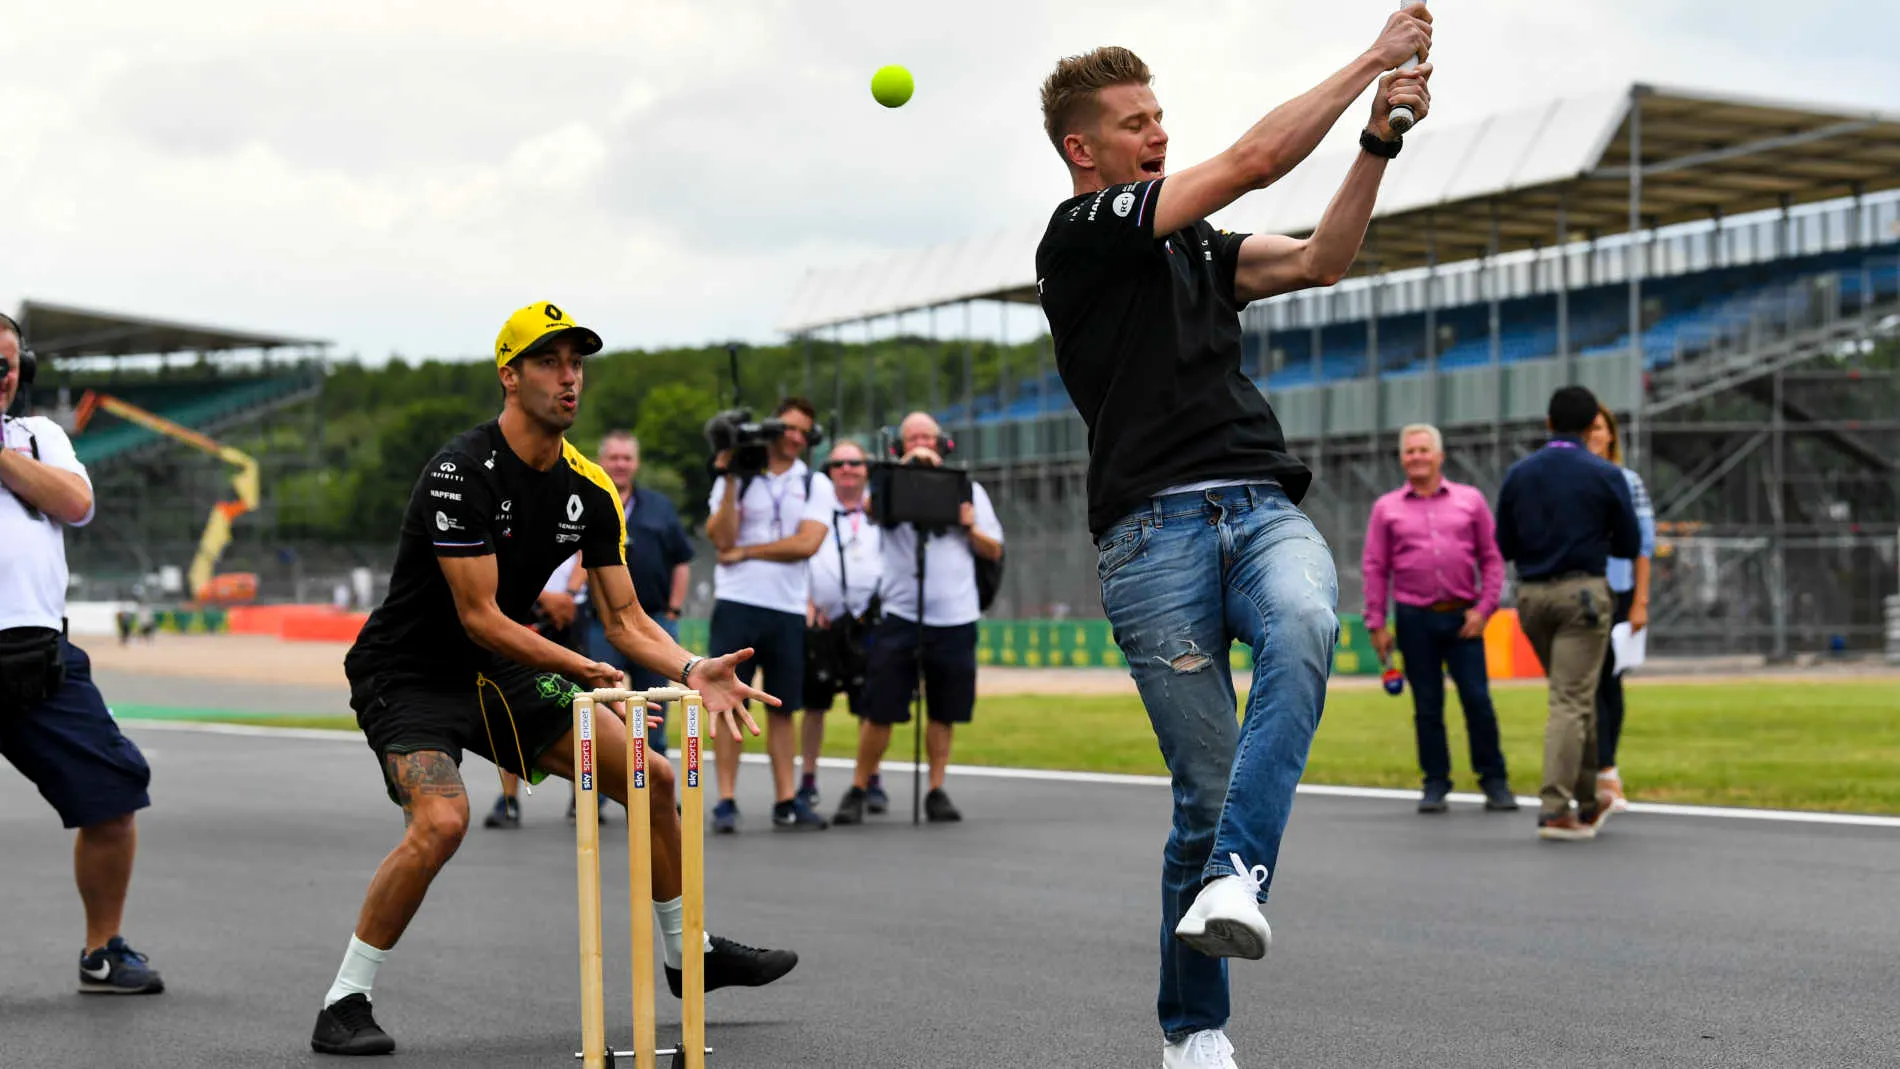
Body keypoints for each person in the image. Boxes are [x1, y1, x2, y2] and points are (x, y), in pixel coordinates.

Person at [1031, 16, 1433, 1066]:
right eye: (1134, 123)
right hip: (1146, 537)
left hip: (1257, 507)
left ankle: (1238, 877)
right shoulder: (1079, 236)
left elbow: (1320, 259)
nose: (1156, 133)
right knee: (1203, 794)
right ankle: (1195, 1029)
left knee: (1306, 618)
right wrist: (1370, 64)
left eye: (1161, 116)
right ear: (1085, 149)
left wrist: (1376, 142)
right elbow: (1255, 163)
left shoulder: (1196, 249)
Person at [313, 302, 797, 1057]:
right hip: (408, 669)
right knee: (442, 821)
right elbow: (476, 614)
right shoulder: (459, 472)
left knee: (655, 780)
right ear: (509, 376)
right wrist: (573, 661)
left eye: (577, 363)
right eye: (549, 361)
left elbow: (629, 617)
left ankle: (686, 955)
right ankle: (345, 998)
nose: (568, 377)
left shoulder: (591, 489)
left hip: (503, 668)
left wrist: (694, 668)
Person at [2, 313, 165, 997]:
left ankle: (102, 950)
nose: (1, 374)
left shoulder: (40, 437)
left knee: (114, 793)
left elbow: (75, 502)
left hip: (39, 657)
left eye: (8, 362)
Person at [832, 413, 1001, 825]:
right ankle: (859, 784)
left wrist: (970, 527)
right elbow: (871, 510)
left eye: (928, 437)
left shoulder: (967, 488)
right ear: (900, 447)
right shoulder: (888, 484)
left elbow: (993, 549)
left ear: (942, 443)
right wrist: (905, 473)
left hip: (954, 615)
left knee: (944, 708)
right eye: (913, 438)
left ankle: (936, 788)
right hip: (902, 613)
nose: (922, 443)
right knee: (880, 705)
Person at [1494, 385, 1641, 843]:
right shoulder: (1605, 474)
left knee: (1577, 693)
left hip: (1533, 596)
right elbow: (1630, 545)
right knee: (1571, 701)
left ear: (1550, 423)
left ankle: (1588, 793)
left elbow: (1504, 542)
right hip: (1583, 594)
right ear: (1587, 426)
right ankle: (1556, 807)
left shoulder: (1520, 474)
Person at [1363, 424, 1515, 814]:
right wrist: (1376, 622)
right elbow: (1376, 567)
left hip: (1463, 619)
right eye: (1410, 451)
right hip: (1414, 620)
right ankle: (1434, 782)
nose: (1417, 457)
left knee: (1478, 701)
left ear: (1439, 456)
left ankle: (1495, 781)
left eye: (1423, 450)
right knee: (1427, 706)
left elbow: (1492, 559)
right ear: (1402, 458)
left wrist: (1485, 610)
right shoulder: (1386, 509)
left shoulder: (1471, 500)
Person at [706, 397, 836, 832]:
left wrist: (746, 551)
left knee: (783, 706)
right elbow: (720, 537)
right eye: (790, 428)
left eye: (805, 431)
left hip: (786, 607)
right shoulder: (741, 476)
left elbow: (807, 543)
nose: (797, 438)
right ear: (773, 428)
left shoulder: (815, 482)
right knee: (727, 699)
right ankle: (725, 799)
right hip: (738, 602)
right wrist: (727, 476)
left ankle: (786, 798)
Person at [579, 430, 694, 756]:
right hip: (602, 622)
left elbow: (682, 560)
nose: (620, 464)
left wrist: (673, 611)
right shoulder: (588, 501)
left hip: (654, 622)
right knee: (600, 708)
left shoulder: (660, 508)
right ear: (601, 461)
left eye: (626, 458)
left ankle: (654, 798)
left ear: (636, 463)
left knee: (654, 708)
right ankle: (593, 800)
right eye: (613, 457)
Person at [799, 439, 883, 812]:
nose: (847, 470)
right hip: (824, 620)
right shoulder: (814, 511)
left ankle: (870, 778)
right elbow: (800, 558)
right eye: (838, 464)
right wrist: (807, 602)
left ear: (867, 469)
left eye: (855, 463)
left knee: (871, 704)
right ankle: (808, 778)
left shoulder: (880, 511)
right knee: (815, 703)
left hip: (868, 620)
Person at [480, 549, 591, 829]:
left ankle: (582, 797)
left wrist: (567, 594)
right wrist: (545, 596)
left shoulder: (578, 508)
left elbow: (588, 551)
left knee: (579, 705)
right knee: (512, 704)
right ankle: (509, 800)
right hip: (523, 608)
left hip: (571, 614)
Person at [1583, 403, 1653, 812]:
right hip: (1579, 589)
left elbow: (1644, 545)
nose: (1594, 434)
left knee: (1610, 682)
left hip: (1619, 589)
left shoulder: (1628, 481)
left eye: (1599, 428)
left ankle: (1606, 768)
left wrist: (1641, 600)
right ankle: (1599, 769)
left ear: (1611, 434)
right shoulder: (1569, 479)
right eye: (1587, 428)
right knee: (1585, 686)